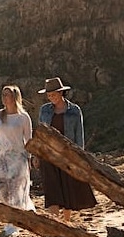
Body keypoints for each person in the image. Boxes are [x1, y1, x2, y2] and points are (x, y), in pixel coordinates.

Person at [36, 76, 97, 223]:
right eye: (49, 95)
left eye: (54, 94)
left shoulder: (74, 111)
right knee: (52, 189)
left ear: (61, 93)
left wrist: (80, 156)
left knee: (68, 188)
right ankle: (55, 222)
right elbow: (40, 134)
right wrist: (37, 154)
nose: (51, 98)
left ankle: (66, 221)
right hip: (48, 155)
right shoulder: (44, 111)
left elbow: (79, 135)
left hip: (68, 155)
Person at [0, 85, 35, 237]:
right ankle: (13, 220)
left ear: (15, 97)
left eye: (8, 95)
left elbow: (28, 140)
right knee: (5, 190)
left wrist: (30, 159)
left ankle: (16, 223)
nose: (4, 98)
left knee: (18, 190)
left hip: (19, 157)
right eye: (3, 95)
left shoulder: (24, 117)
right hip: (3, 157)